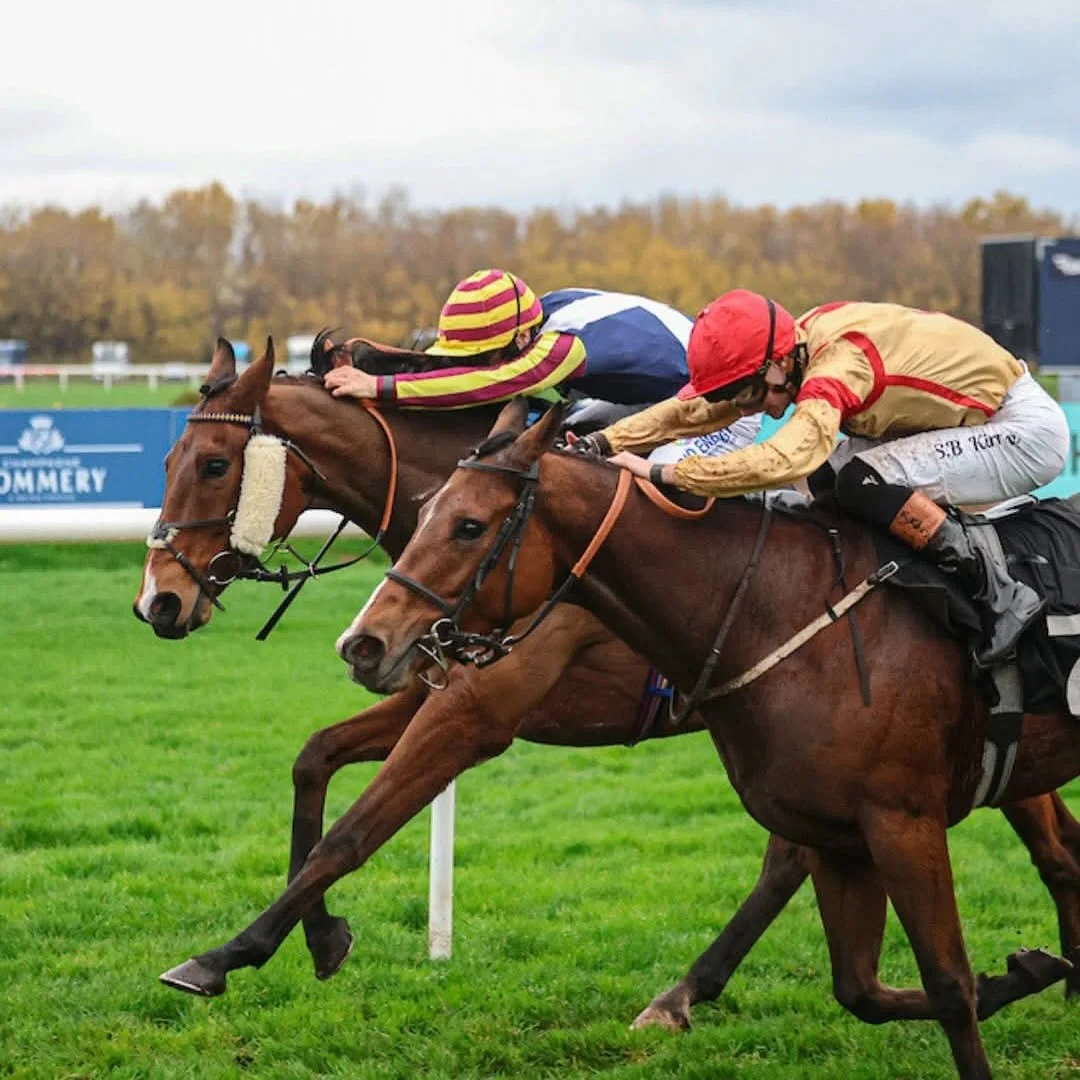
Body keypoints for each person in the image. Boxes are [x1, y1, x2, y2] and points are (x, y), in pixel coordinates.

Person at [581, 289, 1070, 668]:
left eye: (752, 393)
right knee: (826, 480)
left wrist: (667, 471)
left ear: (776, 364)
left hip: (1018, 428)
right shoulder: (791, 347)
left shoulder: (836, 366)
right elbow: (696, 412)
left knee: (859, 478)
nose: (752, 409)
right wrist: (604, 443)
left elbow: (784, 459)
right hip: (969, 416)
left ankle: (1002, 594)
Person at [323, 266, 760, 455]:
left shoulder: (562, 347)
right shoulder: (538, 315)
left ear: (520, 338)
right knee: (565, 447)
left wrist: (379, 386)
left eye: (485, 353)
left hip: (725, 411)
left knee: (650, 481)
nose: (482, 362)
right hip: (654, 401)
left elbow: (491, 383)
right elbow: (476, 372)